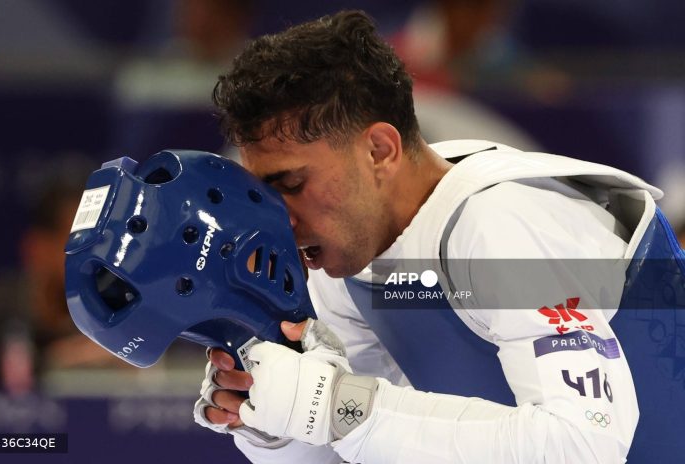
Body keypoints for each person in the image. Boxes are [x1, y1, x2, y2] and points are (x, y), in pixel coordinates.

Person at [191, 10, 681, 463]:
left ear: (380, 150)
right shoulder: (346, 260)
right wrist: (275, 417)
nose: (281, 219)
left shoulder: (502, 224)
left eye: (292, 185)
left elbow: (584, 446)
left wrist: (337, 407)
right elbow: (373, 445)